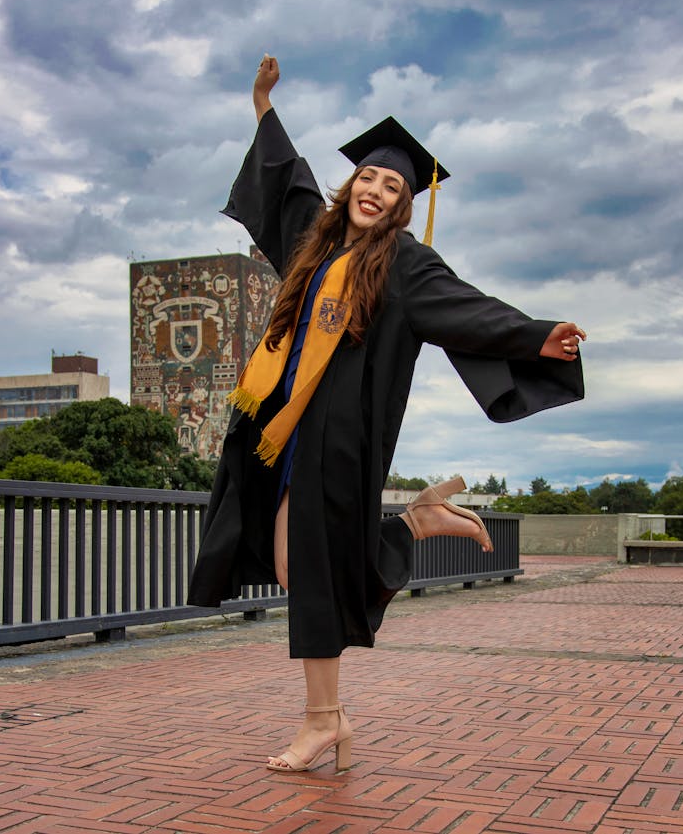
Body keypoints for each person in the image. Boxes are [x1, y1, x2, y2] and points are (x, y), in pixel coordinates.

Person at [188, 54, 586, 773]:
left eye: (393, 185)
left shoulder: (402, 262)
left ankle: (319, 720)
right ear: (354, 185)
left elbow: (466, 311)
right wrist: (260, 105)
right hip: (278, 428)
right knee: (291, 564)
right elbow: (285, 180)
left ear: (405, 204)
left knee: (310, 570)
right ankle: (406, 533)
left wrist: (537, 336)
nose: (375, 189)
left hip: (335, 438)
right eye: (368, 177)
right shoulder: (315, 235)